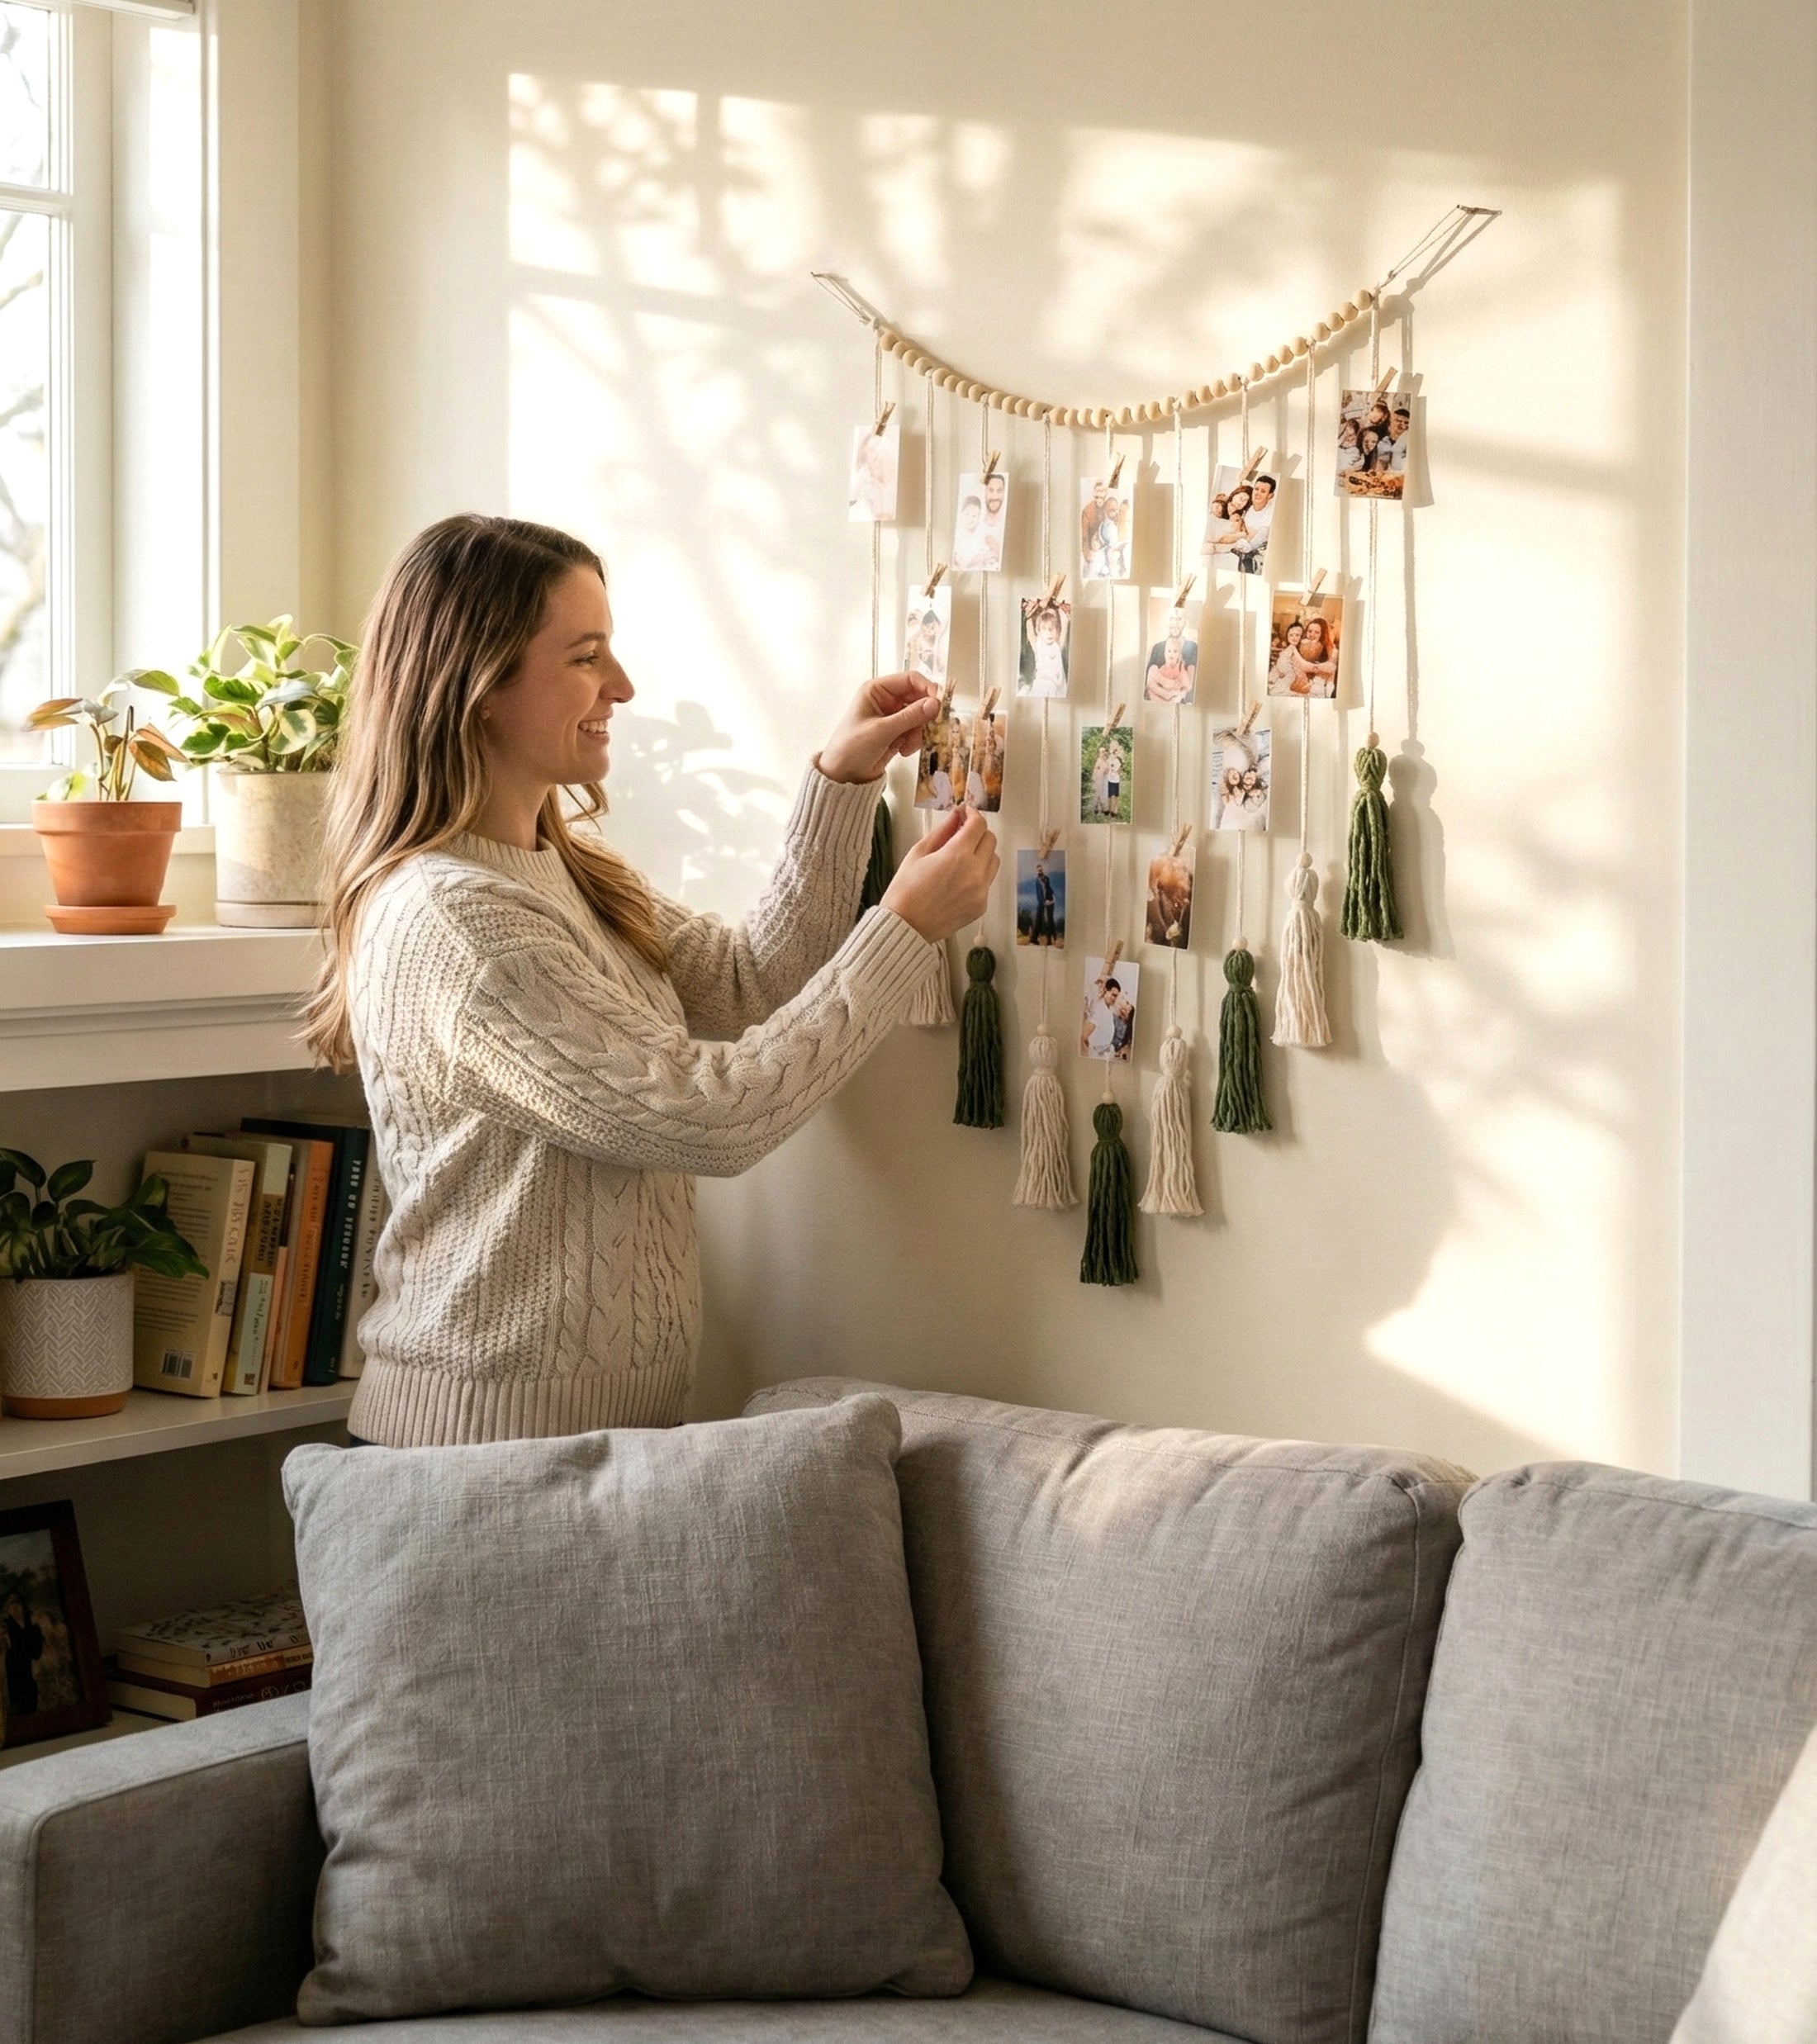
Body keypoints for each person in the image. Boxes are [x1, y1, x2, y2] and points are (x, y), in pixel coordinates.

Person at [301, 515, 998, 1447]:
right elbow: (707, 1116)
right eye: (586, 656)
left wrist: (841, 778)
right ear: (478, 688)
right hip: (472, 1458)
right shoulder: (450, 920)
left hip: (600, 1439)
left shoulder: (565, 869)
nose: (621, 687)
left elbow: (749, 983)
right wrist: (904, 928)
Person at [3, 1592, 45, 1719]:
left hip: (27, 1670)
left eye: (17, 1604)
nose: (14, 1608)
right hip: (13, 1670)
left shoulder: (31, 1625)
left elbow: (35, 1652)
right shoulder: (6, 1625)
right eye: (11, 1605)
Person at [1023, 602, 1069, 697]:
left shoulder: (1058, 646)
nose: (1049, 633)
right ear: (1038, 631)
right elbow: (1030, 630)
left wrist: (1060, 606)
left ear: (1057, 631)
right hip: (1042, 685)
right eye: (1045, 629)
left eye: (1052, 629)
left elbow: (1064, 624)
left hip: (1056, 688)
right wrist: (1031, 612)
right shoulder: (1038, 646)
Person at [847, 431, 895, 520]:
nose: (878, 454)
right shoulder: (864, 489)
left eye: (880, 449)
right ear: (865, 458)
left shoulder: (891, 482)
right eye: (873, 451)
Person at [1292, 615, 1338, 698]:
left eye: (1317, 632)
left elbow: (1331, 669)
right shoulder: (1299, 644)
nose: (1312, 634)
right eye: (1310, 631)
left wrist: (1314, 667)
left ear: (1322, 634)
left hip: (1318, 686)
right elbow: (1301, 666)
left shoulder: (1328, 648)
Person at [952, 492, 999, 571]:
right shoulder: (958, 535)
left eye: (974, 516)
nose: (970, 519)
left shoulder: (984, 532)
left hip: (981, 568)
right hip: (965, 571)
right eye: (967, 514)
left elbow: (996, 552)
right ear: (961, 514)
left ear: (979, 517)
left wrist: (982, 557)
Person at [1082, 975, 1122, 1057]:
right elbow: (1085, 1035)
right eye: (1113, 995)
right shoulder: (1098, 1009)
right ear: (1106, 991)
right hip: (1095, 1053)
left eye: (1116, 996)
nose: (1114, 998)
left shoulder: (1109, 1009)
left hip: (1105, 1051)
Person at [1268, 617, 1305, 694]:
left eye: (1297, 635)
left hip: (1293, 682)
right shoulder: (1286, 651)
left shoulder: (1300, 652)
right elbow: (1277, 668)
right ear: (1287, 637)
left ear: (1302, 637)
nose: (1294, 637)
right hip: (1282, 681)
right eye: (1291, 635)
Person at [1030, 859, 1059, 946]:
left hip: (1049, 902)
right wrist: (1043, 902)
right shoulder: (1037, 881)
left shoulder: (1046, 878)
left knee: (1050, 921)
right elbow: (1039, 894)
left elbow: (1049, 888)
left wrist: (1053, 897)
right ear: (1037, 872)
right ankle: (1034, 939)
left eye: (1041, 870)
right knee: (1039, 921)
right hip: (1042, 903)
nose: (1040, 871)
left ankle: (1051, 939)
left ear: (1043, 870)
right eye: (1038, 870)